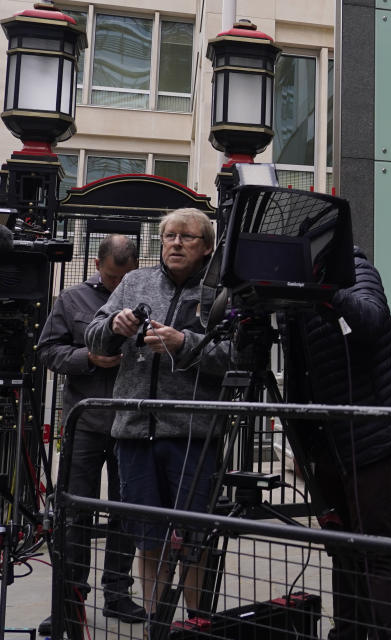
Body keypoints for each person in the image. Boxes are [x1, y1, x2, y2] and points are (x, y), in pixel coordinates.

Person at [85, 208, 231, 619]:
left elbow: (240, 356)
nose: (176, 243)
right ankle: (156, 625)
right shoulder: (135, 281)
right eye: (169, 236)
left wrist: (185, 343)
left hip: (192, 435)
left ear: (206, 247)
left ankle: (196, 623)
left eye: (187, 237)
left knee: (193, 539)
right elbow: (92, 334)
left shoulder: (221, 291)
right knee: (148, 539)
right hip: (134, 431)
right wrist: (115, 325)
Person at [290, 246, 391, 640]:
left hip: (377, 435)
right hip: (328, 441)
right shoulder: (291, 296)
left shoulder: (356, 268)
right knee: (344, 547)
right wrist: (301, 446)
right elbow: (298, 373)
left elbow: (370, 319)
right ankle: (347, 633)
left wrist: (323, 290)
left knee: (375, 548)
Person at [36, 235, 145, 632]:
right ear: (98, 265)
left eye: (125, 277)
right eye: (113, 277)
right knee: (75, 510)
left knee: (127, 511)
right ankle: (70, 598)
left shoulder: (146, 296)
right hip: (86, 422)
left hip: (130, 424)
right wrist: (88, 357)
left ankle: (118, 593)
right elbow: (47, 351)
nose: (118, 286)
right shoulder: (72, 299)